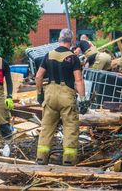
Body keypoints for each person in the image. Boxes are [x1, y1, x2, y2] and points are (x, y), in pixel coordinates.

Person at [35, 28, 88, 166]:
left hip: (50, 96)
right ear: (71, 41)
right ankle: (68, 160)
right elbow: (78, 80)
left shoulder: (48, 55)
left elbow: (38, 76)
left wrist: (40, 93)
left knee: (46, 128)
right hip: (66, 96)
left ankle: (41, 158)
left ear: (58, 39)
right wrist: (83, 100)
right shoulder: (73, 58)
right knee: (70, 128)